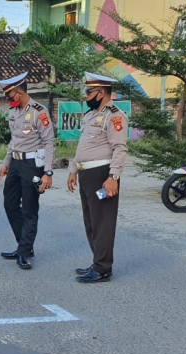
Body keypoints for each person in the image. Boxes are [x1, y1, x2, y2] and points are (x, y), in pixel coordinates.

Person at [67, 72, 128, 283]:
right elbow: (82, 146)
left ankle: (103, 267)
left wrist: (113, 177)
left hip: (103, 174)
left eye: (89, 92)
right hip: (87, 174)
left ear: (101, 93)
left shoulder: (115, 115)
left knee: (103, 221)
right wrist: (73, 170)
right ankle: (98, 261)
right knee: (91, 221)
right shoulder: (91, 115)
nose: (86, 96)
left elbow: (120, 148)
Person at [0, 72, 56, 270]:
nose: (8, 100)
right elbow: (13, 140)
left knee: (30, 208)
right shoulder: (14, 112)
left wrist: (48, 172)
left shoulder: (39, 112)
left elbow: (49, 142)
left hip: (33, 165)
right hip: (15, 163)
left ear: (20, 93)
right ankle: (24, 244)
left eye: (10, 96)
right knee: (10, 203)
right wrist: (6, 163)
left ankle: (24, 251)